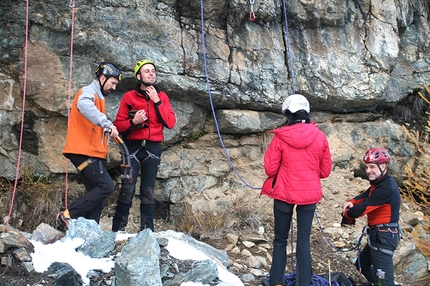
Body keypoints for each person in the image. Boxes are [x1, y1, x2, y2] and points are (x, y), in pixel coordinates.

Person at [261, 94, 332, 286]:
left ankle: (276, 282)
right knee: (303, 241)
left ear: (288, 114)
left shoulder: (281, 137)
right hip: (309, 197)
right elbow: (325, 171)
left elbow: (270, 169)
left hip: (284, 194)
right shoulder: (320, 136)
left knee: (280, 240)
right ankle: (304, 283)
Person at [111, 59, 176, 232]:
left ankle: (147, 231)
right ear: (138, 76)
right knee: (127, 189)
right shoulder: (129, 97)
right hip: (131, 147)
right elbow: (117, 125)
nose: (151, 73)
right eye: (147, 71)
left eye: (153, 71)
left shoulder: (162, 97)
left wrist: (157, 101)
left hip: (153, 148)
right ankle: (117, 230)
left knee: (148, 191)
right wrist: (133, 122)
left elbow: (171, 122)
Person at [58, 62, 123, 230]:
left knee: (98, 199)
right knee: (106, 186)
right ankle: (68, 215)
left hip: (90, 152)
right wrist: (107, 124)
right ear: (102, 78)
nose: (114, 87)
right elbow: (84, 105)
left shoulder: (99, 97)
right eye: (113, 83)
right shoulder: (88, 92)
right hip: (83, 151)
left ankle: (87, 233)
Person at [342, 147, 401, 286]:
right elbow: (365, 195)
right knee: (361, 265)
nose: (368, 170)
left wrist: (347, 213)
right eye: (367, 167)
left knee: (385, 282)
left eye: (372, 167)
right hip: (377, 235)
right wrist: (352, 201)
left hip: (384, 238)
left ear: (384, 166)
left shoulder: (386, 188)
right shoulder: (380, 183)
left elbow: (361, 209)